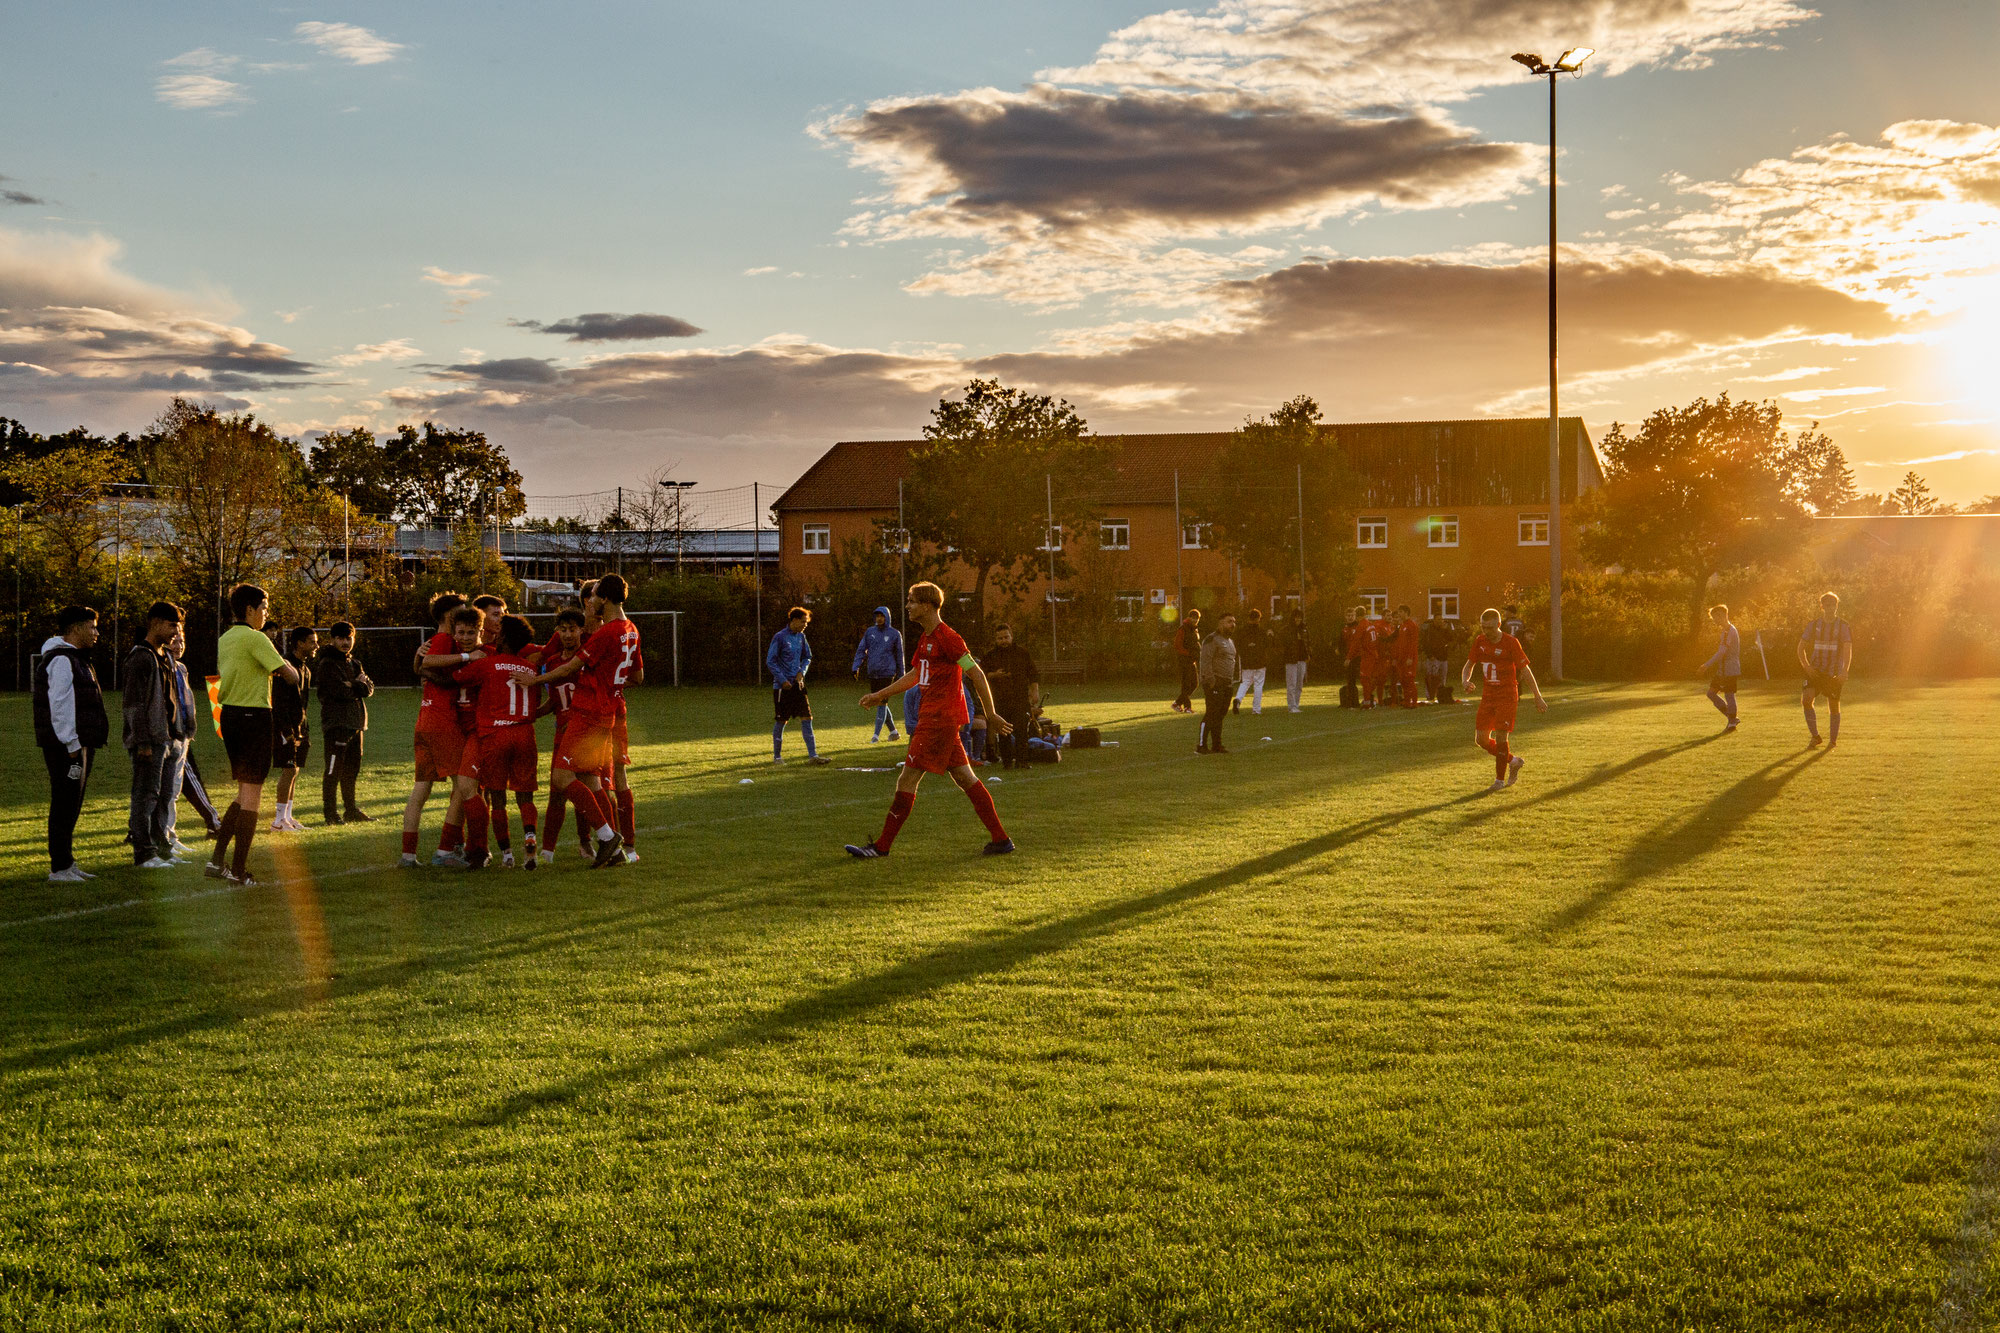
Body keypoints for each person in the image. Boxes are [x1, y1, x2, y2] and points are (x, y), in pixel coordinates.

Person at [844, 581, 1014, 858]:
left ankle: (881, 847)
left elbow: (976, 673)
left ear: (927, 605)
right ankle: (1001, 839)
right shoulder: (926, 638)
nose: (908, 606)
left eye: (912, 601)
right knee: (965, 777)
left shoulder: (948, 638)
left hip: (938, 720)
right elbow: (915, 675)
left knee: (907, 780)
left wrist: (991, 713)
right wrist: (881, 694)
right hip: (937, 719)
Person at [533, 573, 642, 869]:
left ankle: (608, 837)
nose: (589, 601)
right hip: (609, 712)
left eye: (593, 595)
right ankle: (618, 851)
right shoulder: (631, 629)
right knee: (591, 780)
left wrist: (536, 679)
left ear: (604, 599)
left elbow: (570, 667)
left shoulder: (607, 632)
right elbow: (638, 677)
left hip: (587, 712)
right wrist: (611, 685)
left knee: (560, 778)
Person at [207, 584, 301, 885]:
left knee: (243, 792)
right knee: (252, 797)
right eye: (264, 608)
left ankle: (217, 861)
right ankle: (238, 871)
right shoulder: (256, 637)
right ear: (250, 609)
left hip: (230, 716)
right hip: (254, 717)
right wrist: (281, 664)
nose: (266, 614)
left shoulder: (226, 638)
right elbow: (292, 675)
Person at [453, 614, 543, 869]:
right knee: (526, 797)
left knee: (498, 796)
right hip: (525, 733)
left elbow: (457, 678)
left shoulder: (488, 664)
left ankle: (506, 855)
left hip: (496, 735)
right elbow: (534, 704)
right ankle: (530, 842)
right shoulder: (531, 668)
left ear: (503, 637)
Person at [34, 605, 108, 883]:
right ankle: (60, 867)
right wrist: (72, 744)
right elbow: (60, 705)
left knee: (72, 803)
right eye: (92, 626)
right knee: (65, 802)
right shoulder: (62, 659)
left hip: (78, 743)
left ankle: (66, 861)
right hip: (67, 746)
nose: (96, 633)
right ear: (76, 628)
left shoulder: (76, 658)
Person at [400, 592, 472, 868]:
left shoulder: (437, 642)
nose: (465, 615)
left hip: (425, 720)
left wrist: (419, 664)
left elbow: (423, 667)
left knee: (421, 789)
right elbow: (431, 666)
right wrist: (468, 655)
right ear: (447, 617)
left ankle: (408, 855)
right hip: (443, 721)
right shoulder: (444, 641)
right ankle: (447, 850)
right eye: (461, 611)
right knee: (463, 787)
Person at [122, 601, 188, 868]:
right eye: (172, 625)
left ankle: (163, 848)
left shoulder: (163, 657)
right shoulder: (141, 657)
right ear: (157, 623)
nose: (176, 631)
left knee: (163, 796)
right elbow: (134, 704)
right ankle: (144, 852)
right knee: (146, 795)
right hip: (151, 740)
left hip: (168, 738)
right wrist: (142, 741)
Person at [1462, 607, 1547, 793]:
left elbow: (1525, 671)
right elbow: (1470, 664)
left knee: (1501, 736)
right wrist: (1465, 680)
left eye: (1490, 628)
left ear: (1499, 625)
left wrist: (1537, 696)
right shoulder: (1480, 641)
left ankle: (1499, 781)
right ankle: (1513, 761)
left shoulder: (1511, 643)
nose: (1486, 632)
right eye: (1483, 627)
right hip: (1488, 695)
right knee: (1481, 740)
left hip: (1507, 695)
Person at [535, 608, 589, 862]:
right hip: (561, 734)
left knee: (587, 790)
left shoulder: (586, 658)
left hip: (585, 734)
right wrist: (531, 715)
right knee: (557, 792)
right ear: (557, 632)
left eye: (573, 629)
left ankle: (588, 844)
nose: (568, 634)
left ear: (581, 630)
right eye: (563, 629)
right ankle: (547, 850)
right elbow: (555, 702)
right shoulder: (553, 661)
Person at [163, 627, 220, 852]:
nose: (178, 646)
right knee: (169, 789)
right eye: (174, 641)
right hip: (171, 736)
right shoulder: (163, 667)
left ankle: (169, 835)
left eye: (182, 641)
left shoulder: (181, 668)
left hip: (183, 734)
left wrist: (189, 727)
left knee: (174, 789)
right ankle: (166, 835)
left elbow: (186, 702)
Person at [316, 621, 375, 824]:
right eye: (340, 638)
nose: (345, 642)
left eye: (349, 638)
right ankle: (330, 814)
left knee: (351, 771)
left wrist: (356, 684)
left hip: (356, 724)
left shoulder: (354, 663)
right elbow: (339, 691)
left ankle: (351, 810)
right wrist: (357, 685)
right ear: (332, 640)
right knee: (333, 770)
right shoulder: (327, 664)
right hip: (337, 724)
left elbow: (369, 688)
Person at [268, 626, 316, 832]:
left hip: (300, 726)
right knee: (288, 770)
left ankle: (287, 817)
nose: (316, 646)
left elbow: (302, 703)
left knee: (295, 770)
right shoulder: (284, 667)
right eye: (312, 642)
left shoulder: (306, 668)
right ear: (299, 643)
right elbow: (278, 702)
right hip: (285, 727)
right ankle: (278, 821)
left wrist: (302, 727)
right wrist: (286, 731)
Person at [767, 606, 829, 765]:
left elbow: (808, 657)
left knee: (807, 718)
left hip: (798, 685)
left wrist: (802, 672)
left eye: (806, 623)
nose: (805, 625)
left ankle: (813, 756)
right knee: (782, 721)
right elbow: (771, 661)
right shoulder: (779, 637)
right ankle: (777, 757)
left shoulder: (801, 637)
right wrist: (782, 680)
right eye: (803, 622)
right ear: (794, 620)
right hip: (783, 687)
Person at [981, 624, 1040, 769]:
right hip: (999, 699)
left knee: (1021, 731)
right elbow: (981, 675)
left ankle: (1022, 761)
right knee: (1003, 732)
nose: (1003, 641)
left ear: (1011, 637)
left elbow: (1033, 674)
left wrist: (1035, 691)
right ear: (995, 640)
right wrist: (995, 675)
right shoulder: (990, 656)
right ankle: (1007, 762)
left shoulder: (1022, 653)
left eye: (1006, 637)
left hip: (1019, 698)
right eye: (1000, 638)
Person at [1798, 591, 1852, 749]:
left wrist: (1844, 670)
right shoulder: (1813, 625)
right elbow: (1800, 648)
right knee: (1806, 700)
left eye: (1833, 605)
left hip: (1833, 672)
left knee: (1833, 705)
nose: (1830, 608)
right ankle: (1815, 737)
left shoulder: (1843, 626)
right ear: (1822, 607)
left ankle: (1832, 742)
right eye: (1826, 605)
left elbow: (1848, 649)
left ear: (1837, 606)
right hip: (1815, 670)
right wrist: (1807, 666)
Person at [851, 606, 906, 742]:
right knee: (880, 702)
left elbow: (900, 655)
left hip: (887, 673)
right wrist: (855, 666)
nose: (879, 618)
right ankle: (894, 732)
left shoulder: (894, 634)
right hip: (873, 672)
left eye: (882, 616)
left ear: (887, 617)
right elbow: (861, 650)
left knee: (881, 702)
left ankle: (875, 736)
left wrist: (902, 674)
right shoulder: (870, 632)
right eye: (877, 616)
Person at [1198, 610, 1239, 754]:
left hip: (1227, 684)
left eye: (1234, 622)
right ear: (1221, 623)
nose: (1232, 625)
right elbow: (1205, 661)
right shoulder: (1212, 639)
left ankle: (1217, 745)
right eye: (1229, 622)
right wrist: (1211, 680)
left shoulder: (1230, 641)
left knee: (1220, 715)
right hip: (1215, 682)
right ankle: (1201, 746)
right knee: (1211, 714)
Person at [1700, 604, 1742, 734]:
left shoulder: (1730, 631)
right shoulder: (1724, 631)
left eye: (1715, 617)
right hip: (1722, 670)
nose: (1714, 620)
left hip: (1730, 669)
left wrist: (1706, 664)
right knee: (1711, 694)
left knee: (1729, 695)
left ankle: (1732, 722)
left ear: (1722, 615)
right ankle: (1732, 718)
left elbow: (1722, 653)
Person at [1232, 607, 1269, 714]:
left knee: (1245, 682)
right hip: (1260, 661)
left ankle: (1238, 699)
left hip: (1247, 661)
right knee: (1258, 684)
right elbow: (1266, 644)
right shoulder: (1261, 631)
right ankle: (1256, 709)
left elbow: (1237, 645)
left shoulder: (1242, 631)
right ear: (1258, 618)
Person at [1389, 605, 1422, 708]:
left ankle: (1414, 703)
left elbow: (1414, 643)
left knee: (1409, 680)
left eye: (1401, 612)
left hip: (1409, 658)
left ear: (1406, 612)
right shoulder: (1402, 625)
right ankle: (1407, 702)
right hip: (1401, 658)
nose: (1399, 614)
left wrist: (1410, 657)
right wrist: (1396, 657)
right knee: (1403, 680)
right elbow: (1399, 643)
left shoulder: (1412, 625)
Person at [1171, 608, 1202, 713]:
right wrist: (1188, 653)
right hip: (1184, 660)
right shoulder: (1183, 629)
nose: (1195, 620)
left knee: (1194, 684)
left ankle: (1177, 703)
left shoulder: (1194, 629)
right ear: (1189, 618)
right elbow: (1177, 645)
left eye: (1197, 618)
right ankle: (1187, 707)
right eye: (1193, 618)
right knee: (1186, 685)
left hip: (1191, 661)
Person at [1282, 612, 1309, 713]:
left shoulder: (1304, 629)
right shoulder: (1287, 630)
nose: (1298, 620)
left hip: (1302, 659)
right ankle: (1291, 706)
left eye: (1300, 618)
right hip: (1291, 659)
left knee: (1299, 684)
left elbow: (1307, 642)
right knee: (1291, 684)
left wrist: (1308, 654)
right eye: (1296, 618)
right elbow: (1284, 643)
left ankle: (1296, 705)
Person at [1340, 606, 1362, 707]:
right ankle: (1352, 702)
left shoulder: (1358, 627)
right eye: (1348, 616)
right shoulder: (1344, 628)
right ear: (1345, 617)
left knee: (1362, 678)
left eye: (1352, 615)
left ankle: (1366, 700)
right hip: (1348, 657)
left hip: (1357, 657)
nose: (1350, 617)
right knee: (1350, 680)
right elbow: (1342, 643)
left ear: (1355, 616)